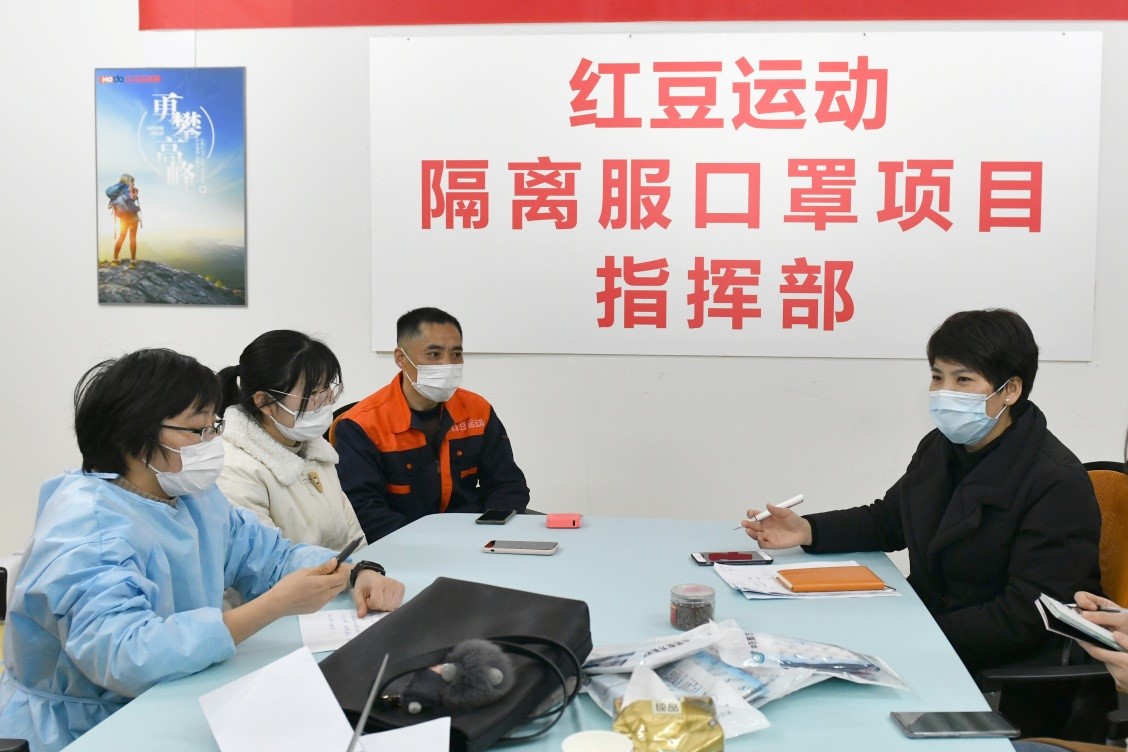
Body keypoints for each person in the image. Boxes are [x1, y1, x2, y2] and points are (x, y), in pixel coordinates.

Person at [0, 349, 404, 752]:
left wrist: (356, 572)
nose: (211, 442)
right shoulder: (89, 527)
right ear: (131, 436)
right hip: (86, 728)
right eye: (197, 430)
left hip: (176, 691)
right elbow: (126, 655)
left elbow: (270, 556)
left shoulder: (192, 497)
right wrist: (273, 606)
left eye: (214, 426)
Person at [742, 309, 1101, 675]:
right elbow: (889, 520)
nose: (944, 392)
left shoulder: (1055, 481)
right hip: (930, 632)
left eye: (963, 380)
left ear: (1010, 390)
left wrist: (912, 638)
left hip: (999, 666)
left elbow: (1028, 616)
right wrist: (808, 530)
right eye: (937, 377)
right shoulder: (940, 447)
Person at [332, 307, 530, 541]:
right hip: (402, 545)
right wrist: (432, 543)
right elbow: (363, 510)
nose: (448, 364)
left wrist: (489, 530)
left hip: (473, 538)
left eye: (456, 354)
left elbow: (507, 484)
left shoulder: (478, 410)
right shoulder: (361, 424)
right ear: (401, 358)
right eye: (434, 354)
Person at [217, 330, 365, 550]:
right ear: (264, 401)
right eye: (313, 394)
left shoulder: (315, 450)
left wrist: (364, 567)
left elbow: (354, 538)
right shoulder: (234, 468)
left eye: (327, 389)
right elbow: (267, 560)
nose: (326, 403)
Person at [107, 173, 141, 264]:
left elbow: (111, 205)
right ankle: (133, 261)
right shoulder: (128, 189)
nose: (133, 183)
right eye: (132, 181)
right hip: (133, 217)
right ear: (128, 181)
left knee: (121, 237)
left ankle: (115, 259)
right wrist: (134, 191)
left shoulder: (115, 192)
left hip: (122, 218)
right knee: (132, 238)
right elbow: (132, 198)